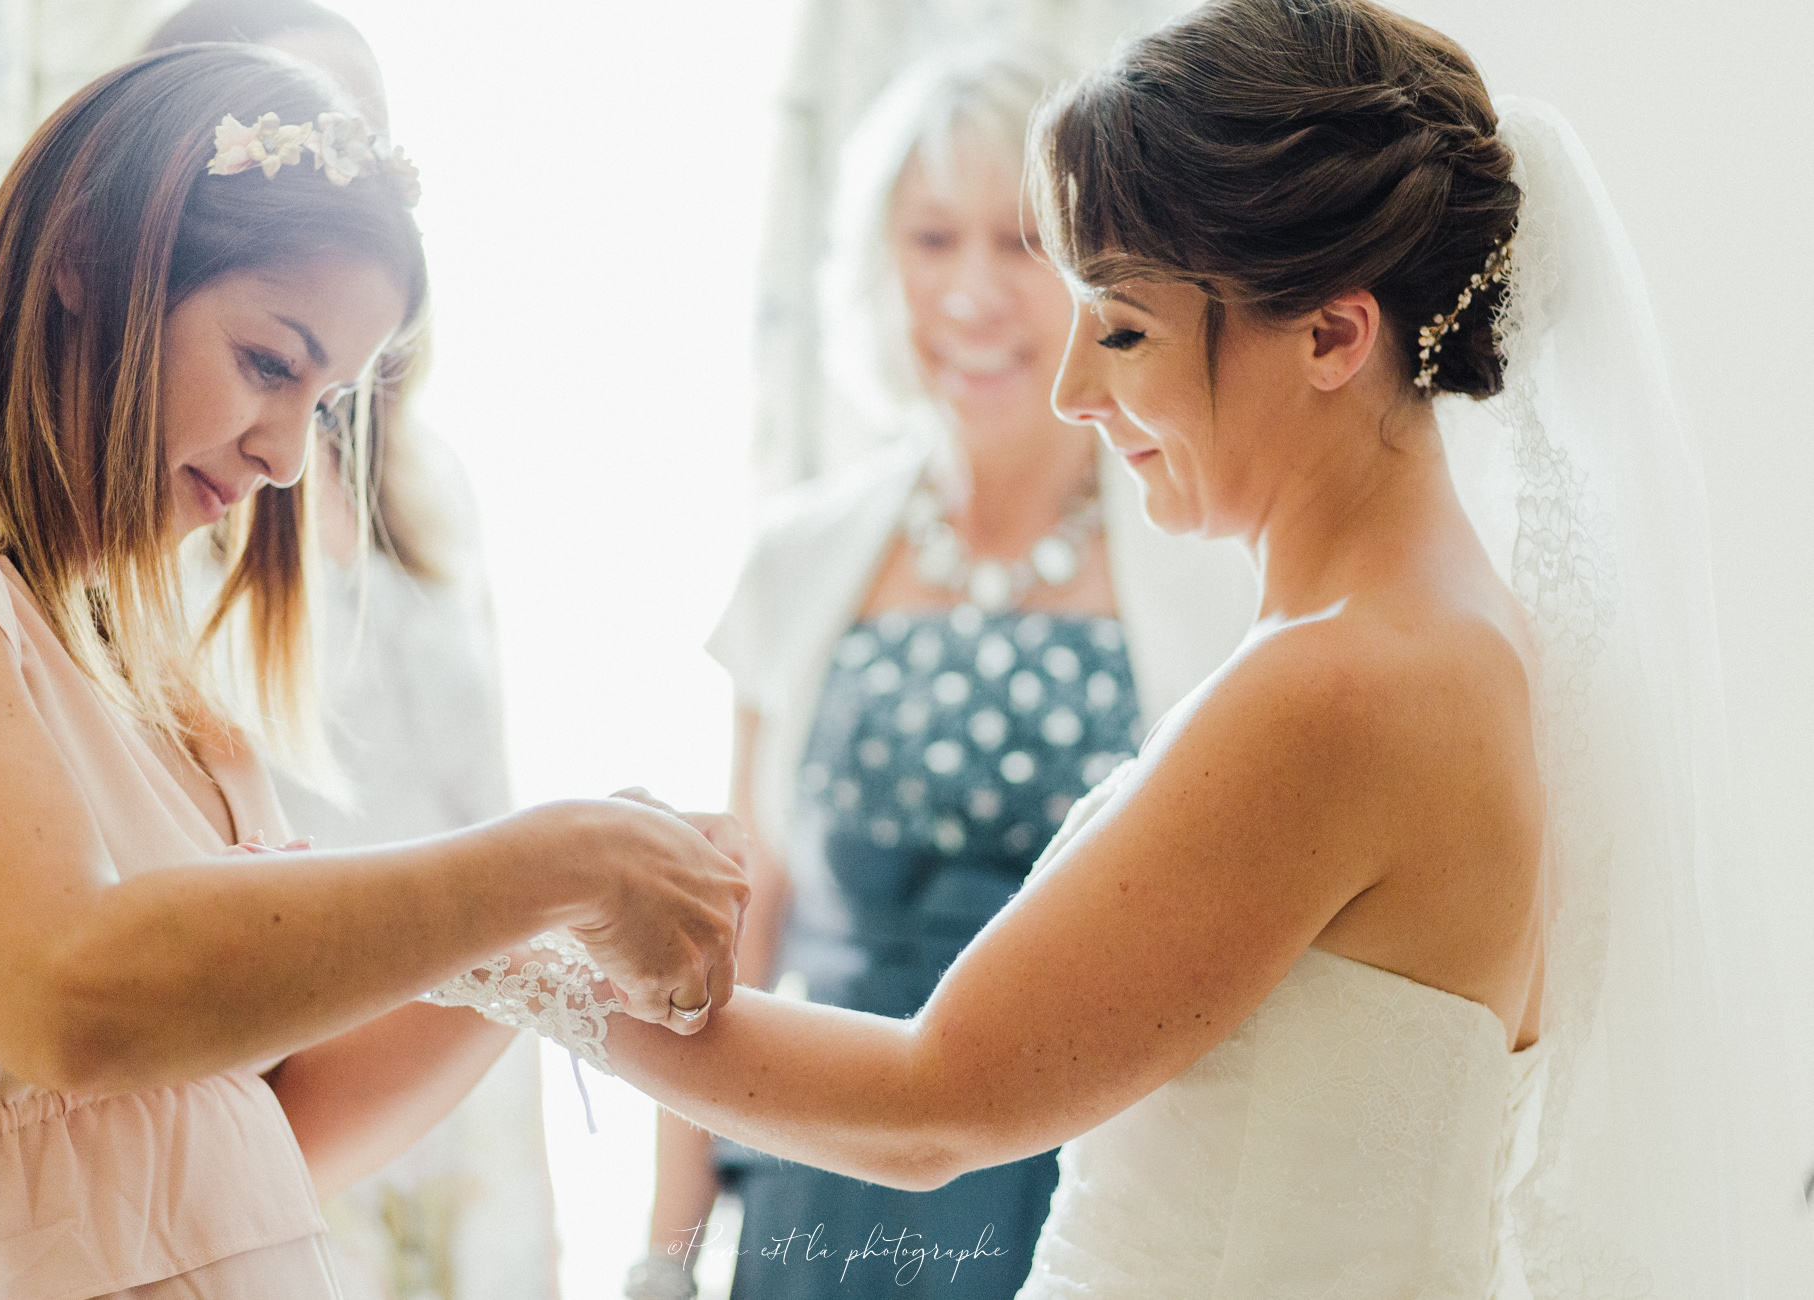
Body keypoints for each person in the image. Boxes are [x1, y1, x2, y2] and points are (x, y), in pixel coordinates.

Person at [459, 1, 1806, 1293]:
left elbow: (931, 1109)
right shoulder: (1454, 637)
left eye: (1120, 327)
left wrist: (495, 945)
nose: (1071, 389)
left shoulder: (1347, 683)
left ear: (1333, 334)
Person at [0, 44, 746, 1298]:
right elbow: (71, 992)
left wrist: (557, 932)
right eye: (271, 363)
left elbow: (267, 1130)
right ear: (82, 257)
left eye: (324, 401)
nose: (286, 457)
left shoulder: (152, 674)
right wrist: (558, 859)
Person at [629, 48, 1252, 1300]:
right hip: (823, 1176)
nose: (973, 295)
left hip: (1101, 1183)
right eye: (930, 239)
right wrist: (668, 1253)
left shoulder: (1214, 570)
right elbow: (739, 932)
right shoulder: (801, 559)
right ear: (878, 266)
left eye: (1023, 243)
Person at [148, 5, 561, 1295]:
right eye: (304, 135)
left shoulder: (429, 490)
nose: (341, 177)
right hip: (280, 1074)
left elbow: (478, 798)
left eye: (366, 148)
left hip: (453, 1053)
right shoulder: (177, 494)